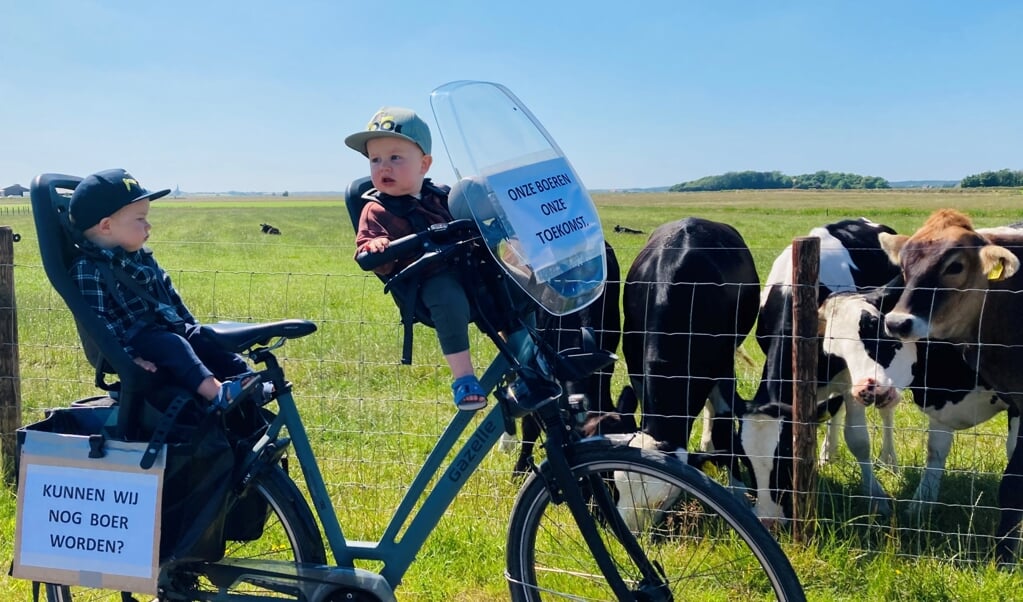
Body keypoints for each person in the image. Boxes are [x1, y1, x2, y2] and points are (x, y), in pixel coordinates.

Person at [68, 168, 259, 409]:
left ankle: (251, 381)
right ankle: (219, 394)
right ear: (106, 226)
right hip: (133, 340)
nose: (148, 226)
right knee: (172, 344)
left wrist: (193, 329)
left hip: (164, 330)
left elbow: (171, 300)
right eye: (140, 219)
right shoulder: (89, 268)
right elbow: (99, 323)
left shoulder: (142, 258)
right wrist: (128, 357)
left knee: (205, 338)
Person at [345, 107, 486, 411]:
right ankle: (464, 378)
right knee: (446, 295)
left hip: (467, 270)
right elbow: (366, 248)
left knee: (509, 281)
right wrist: (376, 246)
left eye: (395, 157)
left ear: (424, 164)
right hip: (426, 282)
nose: (384, 166)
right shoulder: (375, 209)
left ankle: (528, 353)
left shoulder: (441, 196)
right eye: (375, 160)